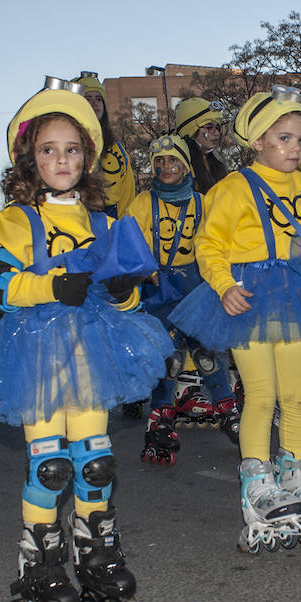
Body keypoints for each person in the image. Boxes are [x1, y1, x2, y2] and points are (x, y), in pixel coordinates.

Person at [0, 78, 173, 602]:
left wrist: (125, 286)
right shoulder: (14, 220)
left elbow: (120, 299)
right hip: (35, 354)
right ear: (29, 157)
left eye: (72, 149)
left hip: (90, 355)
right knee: (50, 466)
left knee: (96, 462)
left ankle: (97, 556)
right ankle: (40, 565)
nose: (61, 159)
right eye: (49, 149)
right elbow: (0, 286)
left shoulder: (103, 222)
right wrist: (53, 286)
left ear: (89, 156)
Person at [169, 86, 301, 553]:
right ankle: (256, 480)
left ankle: (297, 471)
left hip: (296, 294)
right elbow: (209, 244)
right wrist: (223, 286)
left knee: (297, 392)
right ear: (257, 142)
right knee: (261, 394)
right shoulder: (233, 188)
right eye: (283, 138)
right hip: (247, 297)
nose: (295, 148)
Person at [125, 135, 240, 465]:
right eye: (158, 162)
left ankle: (227, 408)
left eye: (173, 161)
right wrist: (141, 270)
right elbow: (128, 241)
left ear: (186, 165)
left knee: (206, 350)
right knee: (169, 356)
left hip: (196, 284)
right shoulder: (143, 202)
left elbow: (219, 242)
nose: (165, 167)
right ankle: (159, 419)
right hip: (159, 287)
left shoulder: (203, 203)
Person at [72, 72, 136, 217]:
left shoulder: (114, 146)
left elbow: (127, 187)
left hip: (111, 217)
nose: (94, 103)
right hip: (77, 215)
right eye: (88, 99)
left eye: (98, 99)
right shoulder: (68, 142)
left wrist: (124, 223)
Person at [175, 97, 230, 194]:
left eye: (218, 127)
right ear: (190, 131)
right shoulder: (181, 166)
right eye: (209, 128)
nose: (216, 133)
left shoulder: (216, 160)